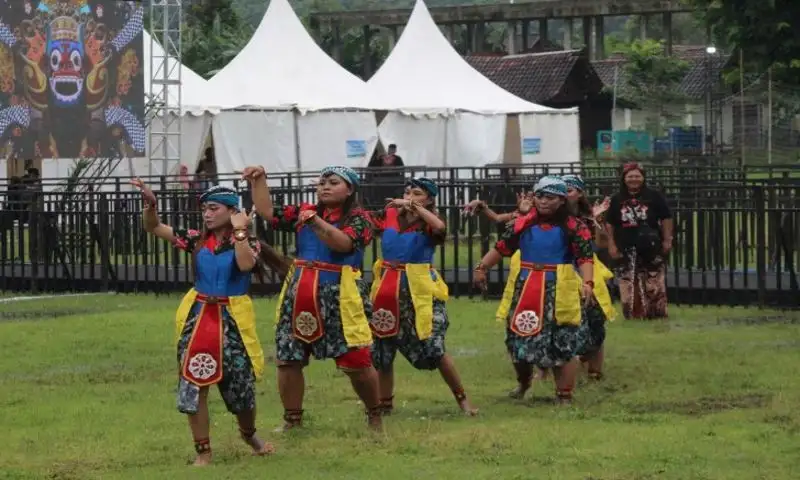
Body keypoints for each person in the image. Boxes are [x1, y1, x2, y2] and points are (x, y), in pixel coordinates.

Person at [131, 179, 276, 466]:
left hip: (231, 319)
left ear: (232, 211)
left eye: (214, 208)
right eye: (205, 209)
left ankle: (250, 435)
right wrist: (151, 205)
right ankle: (203, 452)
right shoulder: (198, 239)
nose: (207, 214)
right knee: (194, 382)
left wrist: (240, 231)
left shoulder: (248, 241)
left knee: (241, 388)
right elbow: (155, 227)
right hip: (198, 317)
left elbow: (246, 264)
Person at [251, 165, 383, 432]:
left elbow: (344, 244)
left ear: (350, 190)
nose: (325, 187)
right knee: (288, 357)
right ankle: (292, 421)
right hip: (299, 290)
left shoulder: (361, 218)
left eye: (333, 182)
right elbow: (267, 212)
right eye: (322, 182)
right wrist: (259, 179)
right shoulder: (305, 213)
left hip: (340, 294)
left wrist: (313, 221)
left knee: (355, 361)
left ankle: (375, 415)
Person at [473, 176, 595, 404]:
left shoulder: (575, 226)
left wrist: (588, 283)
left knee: (563, 341)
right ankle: (524, 383)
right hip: (528, 286)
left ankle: (564, 396)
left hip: (561, 288)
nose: (543, 201)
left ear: (561, 200)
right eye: (539, 196)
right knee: (518, 337)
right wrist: (481, 267)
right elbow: (502, 247)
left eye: (549, 197)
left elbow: (585, 258)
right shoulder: (523, 223)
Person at [368, 177, 478, 416]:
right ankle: (384, 405)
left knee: (434, 345)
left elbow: (440, 229)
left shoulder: (430, 222)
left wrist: (416, 208)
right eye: (407, 192)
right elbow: (365, 225)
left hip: (420, 291)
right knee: (383, 347)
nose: (409, 197)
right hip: (387, 288)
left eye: (417, 193)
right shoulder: (389, 215)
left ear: (429, 199)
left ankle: (463, 401)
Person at [562, 174, 617, 380]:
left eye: (570, 189)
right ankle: (548, 371)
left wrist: (598, 220)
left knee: (595, 319)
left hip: (587, 270)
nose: (565, 194)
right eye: (562, 189)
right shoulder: (550, 215)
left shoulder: (588, 217)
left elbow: (601, 244)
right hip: (562, 273)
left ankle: (595, 370)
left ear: (580, 193)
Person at [605, 163, 674, 319]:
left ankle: (656, 312)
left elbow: (666, 218)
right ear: (624, 179)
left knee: (653, 279)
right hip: (625, 245)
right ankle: (633, 314)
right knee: (628, 280)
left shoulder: (654, 196)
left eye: (637, 176)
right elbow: (610, 223)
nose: (634, 179)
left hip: (651, 244)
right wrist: (611, 244)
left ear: (643, 178)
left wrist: (667, 240)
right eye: (630, 176)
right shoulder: (617, 199)